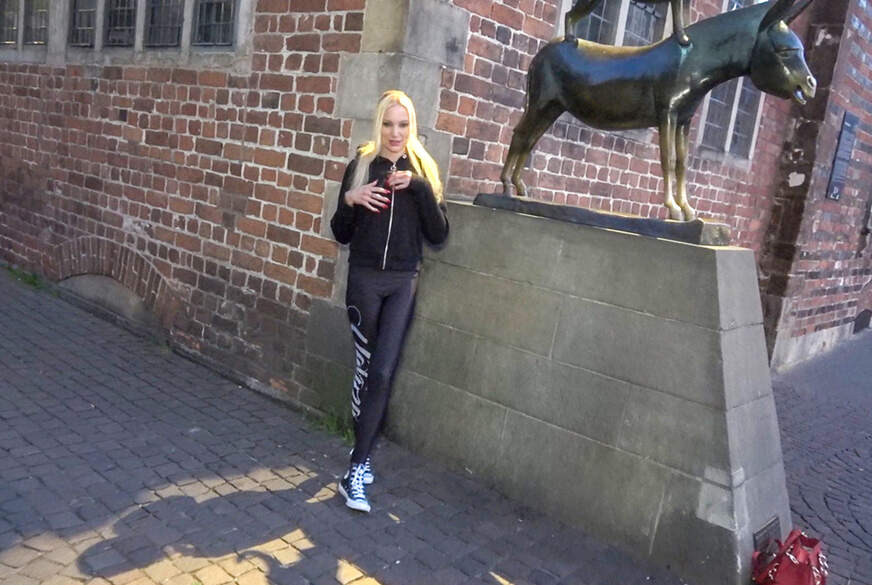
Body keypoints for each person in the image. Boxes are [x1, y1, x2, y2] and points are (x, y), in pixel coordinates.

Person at [330, 90, 449, 513]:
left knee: (382, 372)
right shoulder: (362, 165)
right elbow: (340, 232)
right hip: (364, 280)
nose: (395, 133)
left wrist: (419, 188)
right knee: (367, 370)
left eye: (402, 124)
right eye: (387, 124)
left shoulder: (423, 169)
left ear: (411, 127)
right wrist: (351, 200)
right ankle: (361, 448)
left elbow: (439, 234)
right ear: (378, 124)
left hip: (402, 283)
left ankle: (355, 469)